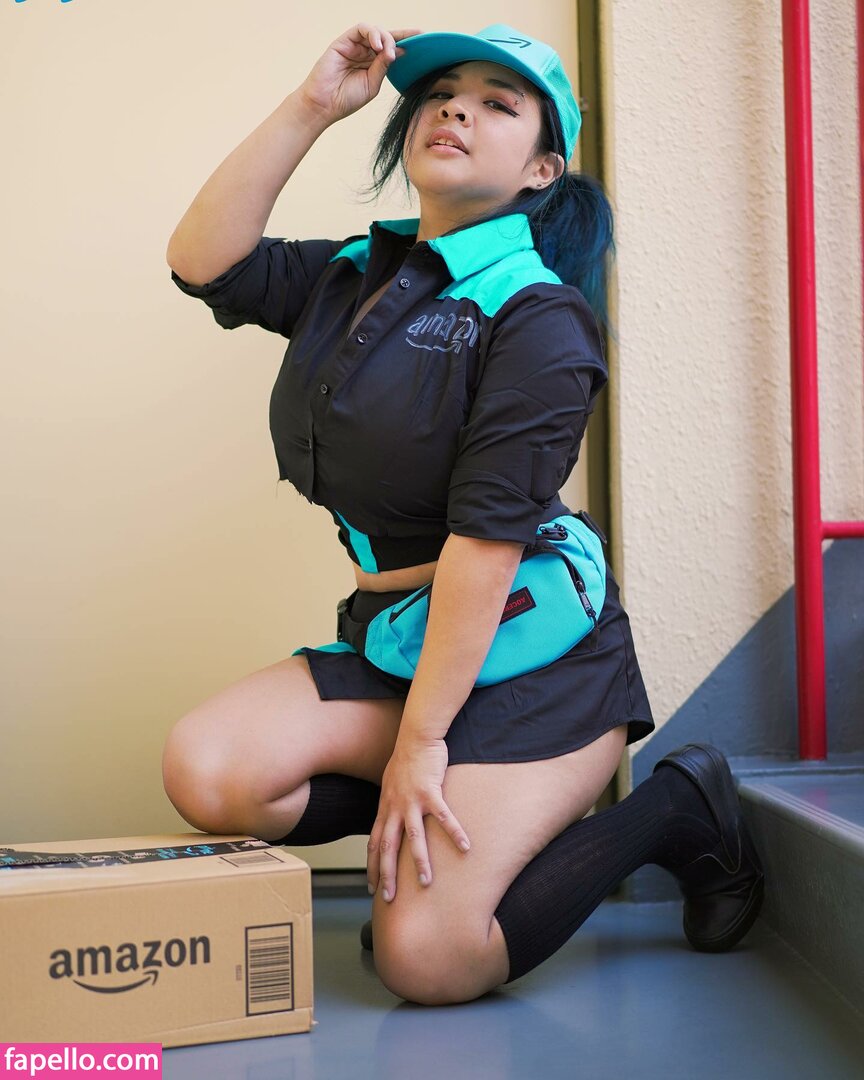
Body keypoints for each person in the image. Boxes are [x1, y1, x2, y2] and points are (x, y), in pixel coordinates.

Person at [162, 22, 764, 1006]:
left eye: (497, 103)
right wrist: (314, 106)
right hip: (405, 639)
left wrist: (419, 744)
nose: (455, 109)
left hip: (535, 662)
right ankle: (452, 838)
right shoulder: (353, 272)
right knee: (209, 769)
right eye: (442, 93)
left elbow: (485, 547)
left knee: (427, 960)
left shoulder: (539, 315)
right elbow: (202, 261)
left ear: (542, 170)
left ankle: (674, 808)